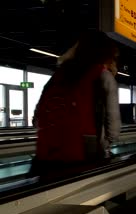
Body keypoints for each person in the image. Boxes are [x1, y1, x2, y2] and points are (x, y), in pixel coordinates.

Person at [31, 30, 121, 175]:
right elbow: (113, 125)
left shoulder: (57, 76)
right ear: (106, 53)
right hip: (84, 155)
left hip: (45, 156)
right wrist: (105, 145)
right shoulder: (103, 76)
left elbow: (36, 119)